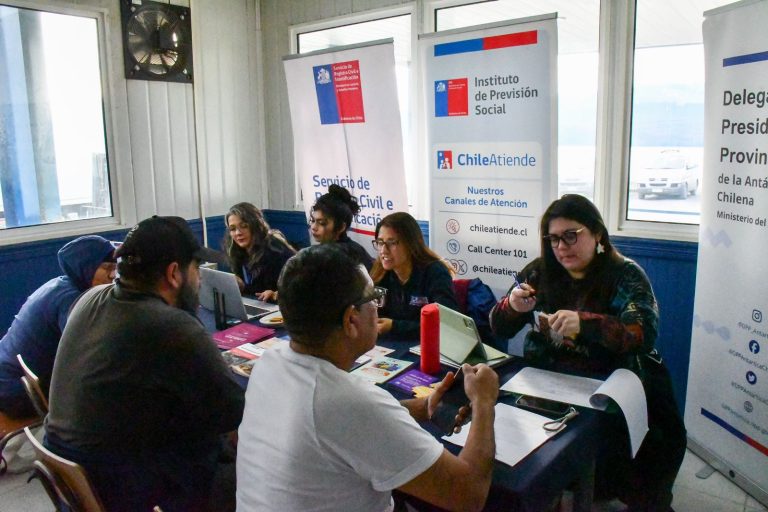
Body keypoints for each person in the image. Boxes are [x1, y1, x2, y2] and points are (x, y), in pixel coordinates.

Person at [236, 244, 499, 512]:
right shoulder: (347, 402)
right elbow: (468, 493)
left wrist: (419, 407)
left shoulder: (270, 361)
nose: (377, 306)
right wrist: (484, 402)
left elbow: (342, 428)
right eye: (373, 298)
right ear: (351, 320)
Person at [489, 194, 686, 511]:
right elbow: (499, 327)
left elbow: (642, 335)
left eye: (571, 235)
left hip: (609, 387)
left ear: (597, 234)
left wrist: (586, 324)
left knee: (627, 465)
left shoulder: (625, 275)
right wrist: (512, 307)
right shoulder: (539, 272)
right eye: (554, 239)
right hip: (548, 384)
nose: (561, 247)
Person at [44, 216, 245, 512]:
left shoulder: (89, 299)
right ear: (174, 273)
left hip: (74, 478)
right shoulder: (173, 327)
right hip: (126, 490)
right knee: (260, 467)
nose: (199, 279)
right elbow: (236, 415)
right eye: (196, 268)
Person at [0, 235, 116, 419]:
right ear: (85, 266)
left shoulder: (59, 284)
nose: (113, 275)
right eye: (106, 268)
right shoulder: (70, 300)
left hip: (10, 378)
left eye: (115, 268)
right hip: (17, 393)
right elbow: (88, 353)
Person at [370, 212, 459, 337]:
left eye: (392, 242)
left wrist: (395, 326)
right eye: (380, 242)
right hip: (389, 343)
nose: (383, 250)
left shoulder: (435, 272)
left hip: (427, 342)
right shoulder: (380, 272)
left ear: (410, 244)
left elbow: (446, 323)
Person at [224, 202, 295, 302]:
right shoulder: (238, 251)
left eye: (244, 226)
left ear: (255, 225)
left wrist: (275, 294)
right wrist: (239, 284)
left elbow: (291, 287)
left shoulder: (274, 248)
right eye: (232, 229)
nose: (238, 233)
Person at [309, 184, 374, 269]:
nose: (313, 227)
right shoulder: (322, 251)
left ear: (341, 227)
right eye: (312, 220)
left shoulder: (346, 255)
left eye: (322, 223)